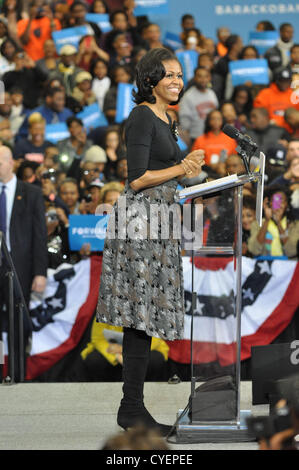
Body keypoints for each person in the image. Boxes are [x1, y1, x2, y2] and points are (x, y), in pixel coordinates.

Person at [96, 47, 205, 435]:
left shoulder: (168, 117)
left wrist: (199, 176)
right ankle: (131, 409)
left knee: (143, 319)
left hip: (161, 220)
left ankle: (132, 407)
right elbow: (138, 177)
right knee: (137, 317)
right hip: (140, 222)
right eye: (170, 75)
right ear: (150, 81)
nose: (178, 81)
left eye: (180, 75)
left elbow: (170, 173)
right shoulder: (141, 116)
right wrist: (183, 166)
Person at [0, 145, 48, 381]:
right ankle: (0, 371)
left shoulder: (30, 193)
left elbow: (40, 235)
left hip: (20, 268)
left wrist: (40, 272)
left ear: (11, 164)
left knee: (18, 321)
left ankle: (18, 372)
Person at [248, 185, 299, 258]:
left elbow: (292, 251)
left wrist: (278, 223)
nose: (278, 204)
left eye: (281, 201)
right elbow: (254, 250)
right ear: (269, 203)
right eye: (275, 201)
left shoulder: (295, 225)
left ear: (287, 205)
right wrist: (267, 220)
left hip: (288, 267)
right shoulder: (257, 224)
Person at [178, 66, 219, 145]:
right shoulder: (188, 96)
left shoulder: (212, 93)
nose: (203, 79)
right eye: (200, 76)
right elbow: (184, 122)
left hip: (212, 137)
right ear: (195, 78)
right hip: (196, 138)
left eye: (206, 76)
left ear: (209, 78)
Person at [253, 65, 299, 132]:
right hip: (270, 131)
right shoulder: (265, 94)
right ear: (276, 80)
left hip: (292, 131)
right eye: (282, 81)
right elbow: (259, 115)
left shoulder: (294, 95)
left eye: (287, 81)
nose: (285, 83)